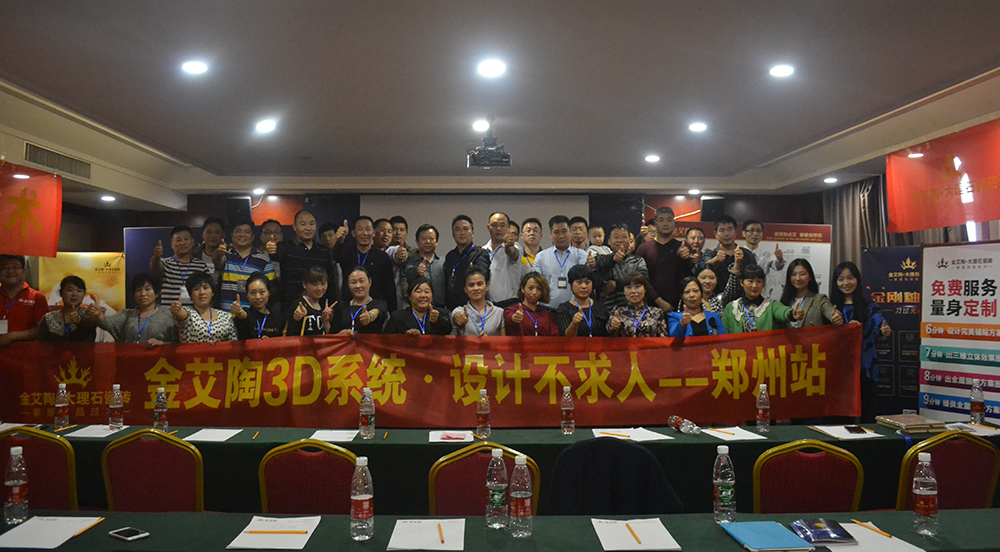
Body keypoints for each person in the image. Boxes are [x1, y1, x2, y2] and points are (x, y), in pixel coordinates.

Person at [830, 261, 892, 422]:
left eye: (850, 278)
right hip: (839, 369)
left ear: (857, 279)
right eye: (841, 279)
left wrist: (884, 329)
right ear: (835, 282)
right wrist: (844, 327)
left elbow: (879, 321)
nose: (846, 283)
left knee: (868, 414)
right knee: (840, 417)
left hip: (866, 367)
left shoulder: (869, 305)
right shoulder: (831, 307)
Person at [267, 210, 344, 317]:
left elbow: (331, 283)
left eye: (311, 224)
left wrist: (333, 308)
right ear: (294, 227)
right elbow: (276, 255)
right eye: (303, 224)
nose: (308, 228)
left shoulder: (324, 251)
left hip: (319, 310)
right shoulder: (285, 247)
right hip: (291, 309)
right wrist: (271, 250)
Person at [90, 273, 177, 345]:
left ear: (157, 293)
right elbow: (108, 323)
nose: (143, 294)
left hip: (159, 360)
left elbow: (178, 343)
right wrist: (98, 315)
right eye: (138, 290)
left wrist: (162, 343)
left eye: (147, 289)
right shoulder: (126, 315)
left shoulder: (168, 315)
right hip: (129, 359)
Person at [336, 216, 397, 312]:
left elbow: (390, 288)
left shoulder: (382, 257)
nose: (364, 233)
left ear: (374, 233)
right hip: (350, 307)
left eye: (368, 229)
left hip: (375, 308)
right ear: (353, 233)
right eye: (360, 229)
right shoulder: (347, 254)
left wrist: (393, 313)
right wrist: (340, 241)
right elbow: (335, 257)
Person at [722, 265, 803, 334]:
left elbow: (782, 312)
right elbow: (724, 335)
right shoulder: (731, 308)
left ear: (763, 284)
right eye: (750, 281)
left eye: (759, 281)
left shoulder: (770, 306)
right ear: (741, 283)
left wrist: (792, 314)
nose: (754, 286)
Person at [635, 207, 687, 313]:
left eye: (669, 220)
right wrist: (658, 300)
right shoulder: (644, 248)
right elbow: (640, 279)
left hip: (678, 307)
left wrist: (689, 259)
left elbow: (687, 277)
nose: (665, 224)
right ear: (655, 223)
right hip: (649, 306)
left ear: (674, 223)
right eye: (661, 220)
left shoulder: (682, 247)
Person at [220, 219, 277, 311]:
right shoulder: (225, 256)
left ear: (253, 237)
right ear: (232, 235)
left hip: (253, 315)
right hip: (226, 314)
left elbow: (272, 289)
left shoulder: (263, 259)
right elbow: (217, 261)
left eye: (247, 232)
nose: (242, 235)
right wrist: (218, 253)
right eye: (238, 231)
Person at [534, 215, 589, 307]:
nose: (561, 236)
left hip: (574, 308)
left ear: (570, 232)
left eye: (564, 231)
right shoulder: (541, 256)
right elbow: (537, 283)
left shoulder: (581, 255)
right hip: (547, 308)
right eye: (556, 232)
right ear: (551, 235)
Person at [151, 225, 212, 307]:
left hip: (193, 312)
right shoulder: (165, 263)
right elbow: (155, 267)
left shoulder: (201, 265)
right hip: (169, 312)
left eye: (186, 239)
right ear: (172, 245)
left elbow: (208, 289)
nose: (182, 243)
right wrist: (156, 257)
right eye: (178, 240)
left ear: (192, 242)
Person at [170, 271, 238, 343]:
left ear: (212, 292)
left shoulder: (226, 317)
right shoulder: (188, 313)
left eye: (206, 288)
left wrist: (220, 345)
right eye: (196, 289)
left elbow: (233, 344)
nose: (202, 292)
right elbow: (181, 315)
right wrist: (177, 310)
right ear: (190, 295)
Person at [594, 223, 649, 310]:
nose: (620, 240)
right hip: (608, 312)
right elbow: (597, 280)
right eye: (616, 237)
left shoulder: (638, 260)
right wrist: (613, 259)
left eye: (624, 237)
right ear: (609, 241)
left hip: (634, 310)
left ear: (629, 240)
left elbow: (643, 280)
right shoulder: (601, 260)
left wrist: (617, 284)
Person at [0, 254, 48, 349]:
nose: (10, 271)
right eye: (5, 267)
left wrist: (12, 336)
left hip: (26, 354)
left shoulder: (37, 297)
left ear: (24, 272)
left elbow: (42, 329)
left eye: (15, 267)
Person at [779, 259, 843, 328]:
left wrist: (835, 316)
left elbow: (829, 310)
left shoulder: (819, 299)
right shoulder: (784, 302)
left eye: (802, 274)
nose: (798, 278)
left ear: (810, 277)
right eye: (794, 274)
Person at [444, 215, 490, 311]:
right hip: (451, 309)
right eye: (458, 230)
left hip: (473, 308)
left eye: (465, 229)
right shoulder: (450, 256)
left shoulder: (480, 254)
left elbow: (482, 276)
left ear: (472, 233)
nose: (462, 233)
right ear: (453, 234)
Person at [701, 215, 757, 293]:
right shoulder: (710, 253)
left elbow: (754, 278)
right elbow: (702, 269)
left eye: (730, 229)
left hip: (741, 297)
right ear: (715, 234)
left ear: (736, 232)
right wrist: (716, 260)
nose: (726, 234)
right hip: (715, 297)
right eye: (722, 230)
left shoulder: (747, 254)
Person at [607, 272, 668, 337]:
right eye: (629, 287)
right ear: (624, 291)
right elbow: (609, 329)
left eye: (637, 287)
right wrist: (613, 325)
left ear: (645, 289)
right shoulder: (618, 312)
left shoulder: (656, 313)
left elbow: (664, 337)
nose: (633, 291)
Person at [385, 276, 452, 335]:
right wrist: (405, 337)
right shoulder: (397, 317)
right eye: (418, 292)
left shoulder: (442, 314)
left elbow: (448, 330)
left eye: (427, 292)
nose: (423, 296)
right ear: (410, 296)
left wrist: (438, 321)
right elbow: (387, 339)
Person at [37, 275, 96, 342]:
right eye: (70, 290)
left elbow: (90, 339)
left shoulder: (89, 316)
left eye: (79, 291)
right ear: (60, 293)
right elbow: (40, 344)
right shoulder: (48, 318)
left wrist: (79, 321)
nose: (74, 294)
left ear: (84, 294)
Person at [555, 265, 609, 337]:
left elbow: (608, 333)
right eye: (579, 283)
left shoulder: (600, 306)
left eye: (587, 282)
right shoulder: (564, 309)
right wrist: (574, 324)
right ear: (571, 285)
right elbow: (566, 337)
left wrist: (612, 326)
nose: (584, 286)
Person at [230, 272, 286, 339]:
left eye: (262, 292)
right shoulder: (247, 314)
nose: (258, 297)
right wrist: (239, 312)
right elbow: (243, 316)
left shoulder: (278, 318)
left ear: (269, 292)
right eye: (253, 293)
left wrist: (270, 342)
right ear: (247, 295)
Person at [332, 267, 387, 335]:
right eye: (353, 282)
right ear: (348, 285)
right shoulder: (341, 307)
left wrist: (370, 316)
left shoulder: (379, 304)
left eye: (361, 281)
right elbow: (333, 334)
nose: (358, 286)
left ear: (369, 282)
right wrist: (341, 334)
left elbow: (377, 311)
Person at [482, 212, 521, 307]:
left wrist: (509, 246)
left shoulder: (516, 247)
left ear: (508, 228)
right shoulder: (482, 250)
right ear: (488, 227)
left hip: (511, 304)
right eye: (494, 225)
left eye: (502, 225)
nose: (498, 229)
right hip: (489, 305)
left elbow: (512, 253)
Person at [451, 267, 504, 336]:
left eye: (480, 284)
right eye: (471, 285)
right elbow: (456, 316)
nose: (476, 288)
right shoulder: (460, 310)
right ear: (465, 289)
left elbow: (503, 340)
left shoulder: (499, 313)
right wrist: (459, 318)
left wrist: (490, 340)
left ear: (487, 286)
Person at [404, 224, 446, 309]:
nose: (428, 242)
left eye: (431, 239)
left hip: (441, 309)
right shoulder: (408, 262)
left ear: (437, 242)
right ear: (417, 242)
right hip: (415, 309)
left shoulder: (444, 262)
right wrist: (416, 271)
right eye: (424, 239)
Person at [284, 266, 336, 336]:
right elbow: (291, 332)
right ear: (304, 285)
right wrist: (297, 318)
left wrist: (326, 321)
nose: (319, 288)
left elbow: (329, 336)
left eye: (323, 284)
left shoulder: (325, 304)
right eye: (314, 284)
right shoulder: (299, 304)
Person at [504, 272, 560, 336]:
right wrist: (514, 318)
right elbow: (509, 319)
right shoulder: (512, 310)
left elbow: (555, 337)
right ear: (522, 289)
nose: (534, 292)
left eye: (539, 289)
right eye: (530, 288)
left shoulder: (547, 315)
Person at [743, 220, 785, 300]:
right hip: (742, 297)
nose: (755, 234)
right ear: (744, 233)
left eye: (758, 231)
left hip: (762, 297)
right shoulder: (739, 254)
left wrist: (780, 259)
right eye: (752, 231)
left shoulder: (767, 256)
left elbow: (777, 266)